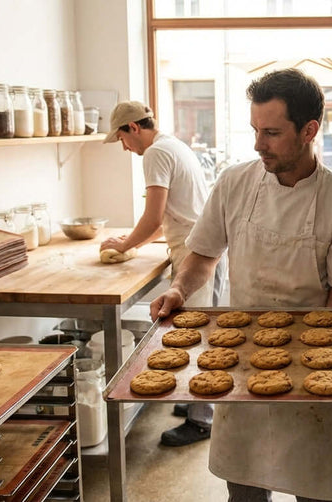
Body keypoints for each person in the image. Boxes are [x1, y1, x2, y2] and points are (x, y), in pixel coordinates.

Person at [151, 68, 332, 501]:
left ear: (309, 130)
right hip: (241, 366)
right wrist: (179, 290)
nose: (257, 143)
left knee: (317, 488)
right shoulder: (235, 183)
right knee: (244, 489)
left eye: (270, 132)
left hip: (312, 373)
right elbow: (204, 255)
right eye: (254, 129)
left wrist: (319, 373)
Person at [102, 100, 219, 447]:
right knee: (199, 330)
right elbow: (164, 216)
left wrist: (122, 247)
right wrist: (130, 241)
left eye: (122, 139)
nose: (124, 147)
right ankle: (195, 400)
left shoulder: (154, 154)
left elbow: (153, 217)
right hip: (202, 243)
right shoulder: (173, 144)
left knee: (194, 334)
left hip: (194, 250)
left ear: (134, 128)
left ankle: (202, 421)